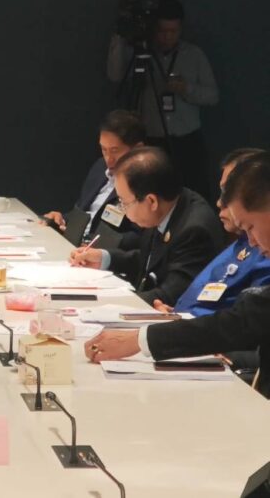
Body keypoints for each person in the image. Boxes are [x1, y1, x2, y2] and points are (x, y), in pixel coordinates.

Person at [84, 151, 270, 397]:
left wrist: (140, 340)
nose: (252, 241)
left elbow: (243, 323)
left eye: (250, 227)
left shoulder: (196, 225)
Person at [69, 146, 222, 305]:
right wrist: (105, 258)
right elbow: (150, 260)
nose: (123, 209)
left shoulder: (194, 231)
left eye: (124, 202)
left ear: (151, 201)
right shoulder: (165, 205)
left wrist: (107, 303)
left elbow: (170, 295)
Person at [106, 0, 218, 198]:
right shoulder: (141, 55)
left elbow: (212, 96)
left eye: (173, 31)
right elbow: (115, 75)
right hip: (152, 141)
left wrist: (186, 89)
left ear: (181, 28)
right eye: (162, 31)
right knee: (153, 196)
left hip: (186, 141)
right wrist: (120, 37)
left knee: (194, 194)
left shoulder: (193, 55)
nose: (167, 36)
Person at [158, 148, 270, 317]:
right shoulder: (242, 243)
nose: (220, 202)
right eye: (224, 191)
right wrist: (177, 318)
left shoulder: (264, 249)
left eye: (229, 193)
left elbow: (245, 322)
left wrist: (181, 326)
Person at [42, 110, 145, 247]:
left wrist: (96, 244)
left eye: (115, 151)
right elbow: (84, 211)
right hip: (74, 244)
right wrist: (62, 219)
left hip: (104, 253)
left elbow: (142, 236)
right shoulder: (100, 167)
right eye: (104, 150)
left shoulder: (145, 182)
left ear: (137, 149)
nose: (109, 159)